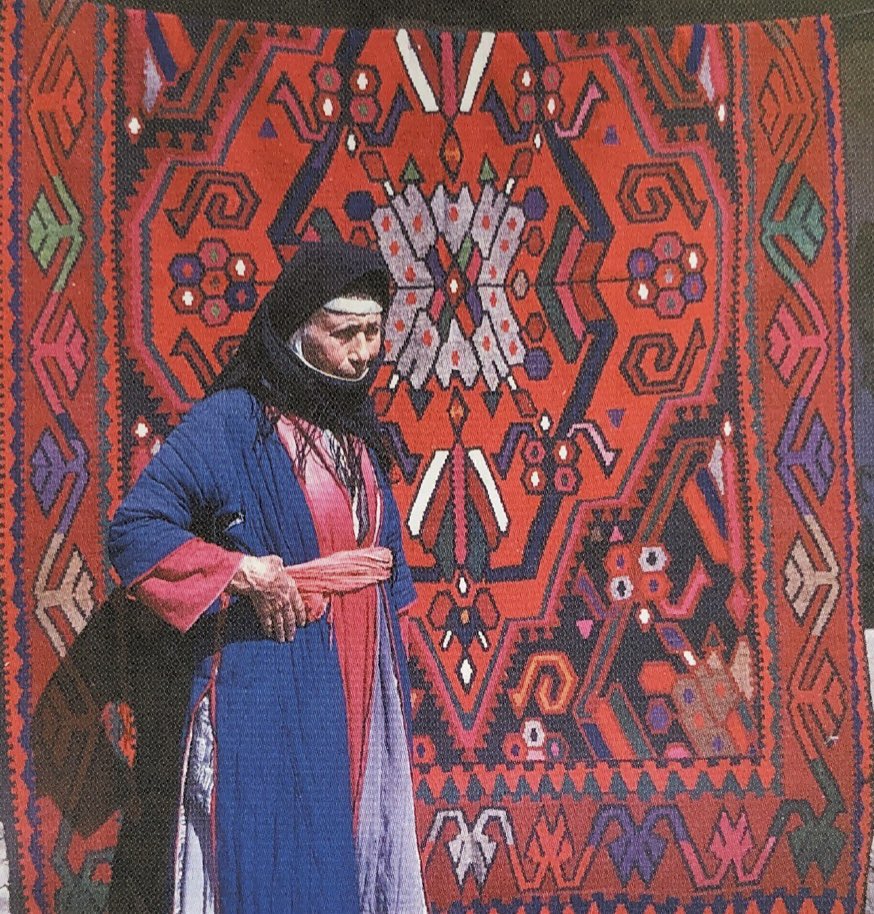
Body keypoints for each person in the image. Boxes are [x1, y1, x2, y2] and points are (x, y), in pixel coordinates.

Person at [107, 240, 426, 914]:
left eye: (373, 333)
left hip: (359, 679)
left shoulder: (359, 436)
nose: (364, 352)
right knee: (271, 860)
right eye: (346, 334)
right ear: (296, 329)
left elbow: (383, 563)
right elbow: (134, 530)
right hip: (268, 683)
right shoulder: (233, 422)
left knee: (350, 855)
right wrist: (244, 570)